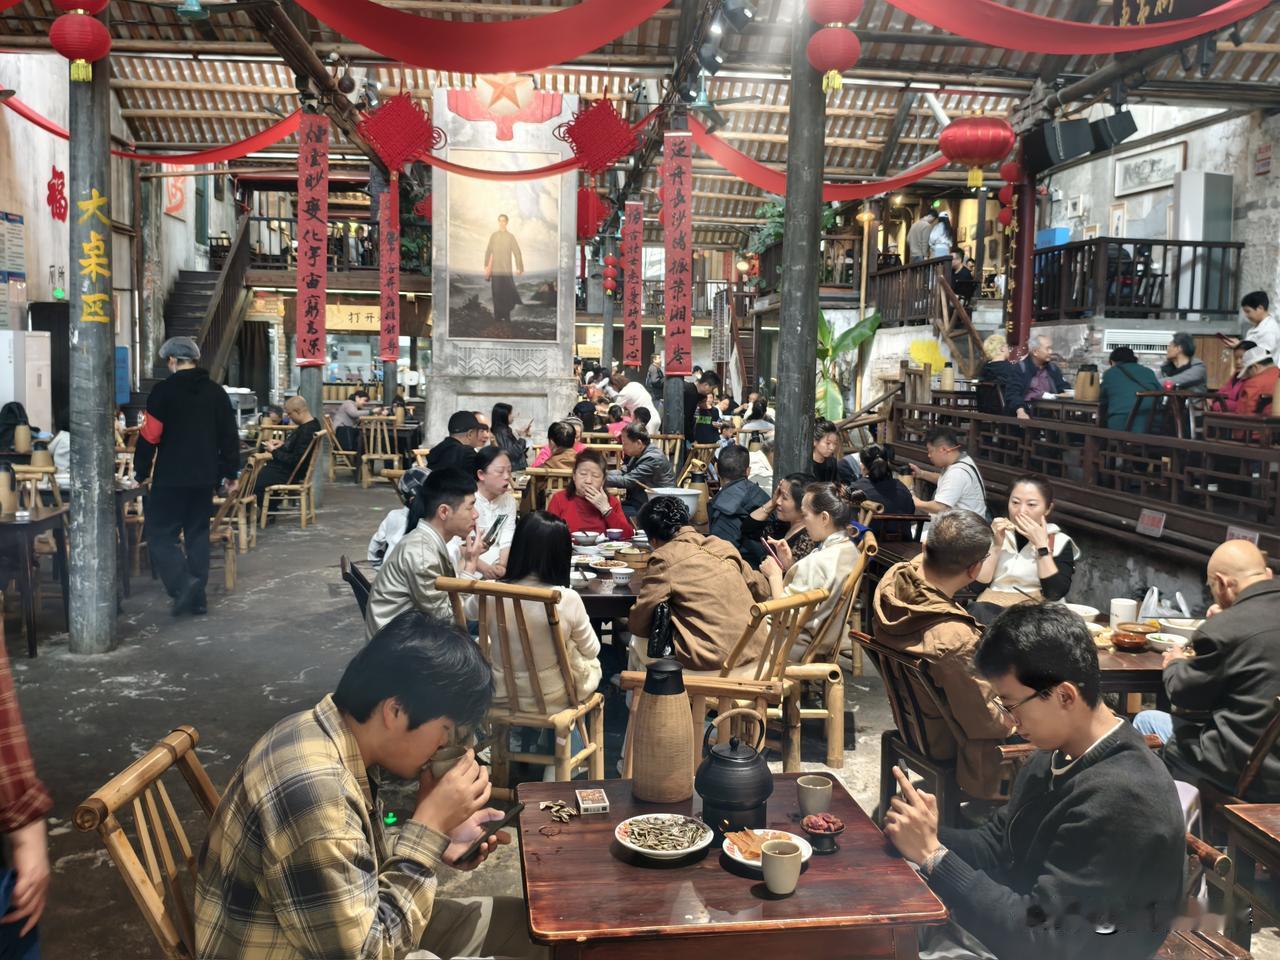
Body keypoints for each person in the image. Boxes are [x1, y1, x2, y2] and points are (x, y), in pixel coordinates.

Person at [196, 611, 545, 960]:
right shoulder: (317, 793)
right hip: (335, 949)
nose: (445, 745)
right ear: (395, 711)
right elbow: (369, 952)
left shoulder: (319, 730)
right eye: (445, 729)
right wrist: (427, 829)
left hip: (344, 926)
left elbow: (348, 859)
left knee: (531, 927)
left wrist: (437, 838)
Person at [884, 602, 1186, 960]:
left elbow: (1043, 940)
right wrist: (928, 833)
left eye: (1011, 705)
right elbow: (999, 843)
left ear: (1064, 696)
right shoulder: (1056, 752)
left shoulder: (1123, 800)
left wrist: (934, 856)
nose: (1009, 722)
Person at [873, 508, 1013, 799]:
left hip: (915, 723)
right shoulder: (953, 638)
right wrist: (1020, 716)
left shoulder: (894, 583)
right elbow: (983, 722)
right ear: (975, 570)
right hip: (948, 741)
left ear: (925, 547)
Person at [1133, 540, 1280, 801]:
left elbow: (1185, 696)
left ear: (1222, 583)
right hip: (1269, 762)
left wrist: (1176, 662)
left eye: (1212, 588)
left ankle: (1166, 818)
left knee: (1146, 721)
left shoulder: (1225, 629)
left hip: (1247, 774)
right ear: (1266, 573)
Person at [134, 336, 240, 617]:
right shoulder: (216, 392)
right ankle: (198, 600)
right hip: (204, 477)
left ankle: (183, 585)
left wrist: (140, 471)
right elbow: (229, 435)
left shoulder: (163, 392)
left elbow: (150, 435)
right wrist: (230, 472)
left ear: (172, 360)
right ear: (194, 359)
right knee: (197, 535)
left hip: (170, 477)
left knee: (159, 534)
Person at [628, 496, 771, 674]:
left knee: (637, 640)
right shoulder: (722, 545)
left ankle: (640, 691)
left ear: (653, 541)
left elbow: (639, 624)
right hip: (760, 660)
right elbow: (762, 590)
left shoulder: (664, 557)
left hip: (716, 668)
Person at [493, 511, 602, 718]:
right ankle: (566, 737)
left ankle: (521, 735)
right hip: (550, 697)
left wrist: (470, 562)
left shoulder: (490, 592)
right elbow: (592, 650)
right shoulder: (566, 598)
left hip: (501, 693)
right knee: (578, 653)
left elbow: (464, 609)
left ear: (518, 547)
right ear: (561, 554)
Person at [365, 468, 485, 635]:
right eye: (470, 507)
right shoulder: (422, 554)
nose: (476, 514)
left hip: (409, 632)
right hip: (399, 643)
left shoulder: (427, 541)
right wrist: (471, 567)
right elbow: (447, 620)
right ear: (444, 511)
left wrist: (470, 562)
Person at [760, 482, 860, 658]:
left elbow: (785, 617)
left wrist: (774, 576)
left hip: (786, 644)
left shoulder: (818, 562)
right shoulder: (851, 551)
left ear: (824, 518)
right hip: (816, 641)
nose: (803, 522)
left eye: (805, 515)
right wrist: (790, 564)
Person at [970, 475, 1081, 626]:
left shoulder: (1060, 541)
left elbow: (1054, 593)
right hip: (990, 611)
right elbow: (976, 586)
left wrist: (1042, 547)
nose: (1021, 511)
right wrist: (996, 545)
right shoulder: (994, 533)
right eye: (1015, 502)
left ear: (1048, 509)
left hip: (1036, 617)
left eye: (1031, 505)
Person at [449, 447, 517, 580]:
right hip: (466, 564)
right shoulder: (465, 500)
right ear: (481, 474)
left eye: (509, 471)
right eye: (500, 472)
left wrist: (502, 565)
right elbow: (454, 545)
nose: (507, 477)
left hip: (496, 560)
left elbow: (507, 537)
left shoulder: (509, 501)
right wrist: (484, 568)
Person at [910, 426, 988, 533]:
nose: (929, 455)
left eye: (930, 451)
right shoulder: (963, 459)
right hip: (963, 526)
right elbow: (946, 481)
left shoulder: (957, 473)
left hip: (965, 533)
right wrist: (921, 474)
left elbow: (940, 507)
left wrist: (916, 502)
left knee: (910, 534)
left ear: (943, 449)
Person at [545, 450, 633, 538]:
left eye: (595, 476)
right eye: (583, 474)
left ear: (603, 480)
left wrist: (606, 510)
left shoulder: (611, 502)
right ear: (574, 476)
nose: (588, 481)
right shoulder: (559, 499)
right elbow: (548, 535)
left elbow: (627, 536)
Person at [708, 444, 771, 567]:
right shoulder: (762, 495)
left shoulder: (722, 506)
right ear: (748, 471)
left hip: (738, 570)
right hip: (768, 567)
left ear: (716, 469)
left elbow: (718, 556)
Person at [253, 395, 321, 502]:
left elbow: (295, 460)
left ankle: (264, 509)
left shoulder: (307, 430)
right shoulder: (313, 424)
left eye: (289, 414)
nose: (288, 417)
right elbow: (299, 448)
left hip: (290, 473)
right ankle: (269, 507)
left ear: (298, 411)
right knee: (257, 474)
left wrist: (274, 451)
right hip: (290, 470)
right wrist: (283, 444)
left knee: (253, 482)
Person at [742, 473, 817, 565]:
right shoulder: (783, 525)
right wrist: (771, 503)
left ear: (803, 505)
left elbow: (793, 571)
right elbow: (748, 529)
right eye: (779, 494)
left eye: (784, 497)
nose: (778, 501)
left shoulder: (809, 538)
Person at [606, 422, 675, 518]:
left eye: (625, 443)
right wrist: (601, 473)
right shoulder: (641, 453)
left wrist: (600, 478)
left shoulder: (652, 458)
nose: (623, 447)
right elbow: (624, 471)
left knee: (609, 513)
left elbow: (628, 481)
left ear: (638, 443)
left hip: (657, 509)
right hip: (641, 502)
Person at [367, 466, 428, 564]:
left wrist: (382, 570)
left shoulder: (393, 516)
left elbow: (375, 549)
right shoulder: (437, 522)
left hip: (389, 571)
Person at [1098, 346, 1162, 432]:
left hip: (1121, 424)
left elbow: (1102, 400)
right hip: (1151, 424)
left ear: (1112, 362)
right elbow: (1160, 395)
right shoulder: (1148, 371)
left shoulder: (1110, 373)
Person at [847, 443, 914, 516]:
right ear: (887, 463)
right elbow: (911, 511)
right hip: (901, 524)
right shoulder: (903, 489)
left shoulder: (855, 489)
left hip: (867, 523)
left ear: (863, 467)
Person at [484, 213, 524, 324]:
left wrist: (519, 267)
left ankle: (506, 316)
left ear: (506, 222)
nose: (502, 223)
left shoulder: (510, 237)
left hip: (506, 271)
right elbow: (488, 251)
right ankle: (497, 317)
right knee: (496, 293)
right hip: (495, 270)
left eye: (504, 221)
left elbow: (517, 252)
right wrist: (486, 265)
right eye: (500, 221)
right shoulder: (494, 236)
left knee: (506, 293)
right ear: (498, 222)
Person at [977, 334, 1029, 419]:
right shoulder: (1009, 368)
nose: (1009, 350)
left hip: (984, 409)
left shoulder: (983, 368)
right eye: (1007, 347)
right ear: (1002, 348)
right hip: (1005, 410)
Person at [1017, 333, 1069, 404]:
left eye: (1051, 348)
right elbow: (1013, 395)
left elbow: (1063, 388)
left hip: (1051, 407)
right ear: (1035, 352)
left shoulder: (1053, 368)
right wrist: (1020, 409)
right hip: (1027, 408)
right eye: (1047, 348)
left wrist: (1066, 393)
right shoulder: (1021, 368)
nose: (1051, 352)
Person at [1226, 290, 1277, 355]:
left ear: (1260, 308)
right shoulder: (1258, 326)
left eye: (1248, 311)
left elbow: (1263, 355)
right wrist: (1240, 343)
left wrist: (1240, 345)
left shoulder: (1269, 330)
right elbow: (1252, 345)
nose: (1246, 315)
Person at [1234, 343, 1278, 416]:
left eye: (1247, 372)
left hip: (1260, 422)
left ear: (1255, 367)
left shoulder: (1253, 383)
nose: (1248, 376)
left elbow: (1242, 413)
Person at [682, 371, 721, 445]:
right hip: (678, 434)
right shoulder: (690, 393)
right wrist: (692, 439)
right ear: (706, 385)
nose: (711, 392)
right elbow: (685, 418)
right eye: (712, 389)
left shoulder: (695, 392)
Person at [490, 402, 531, 471]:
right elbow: (512, 453)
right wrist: (522, 437)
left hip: (516, 468)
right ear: (504, 415)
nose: (513, 416)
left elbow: (519, 450)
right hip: (514, 471)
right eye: (510, 414)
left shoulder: (505, 430)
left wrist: (525, 437)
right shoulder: (501, 432)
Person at [331, 389, 373, 453]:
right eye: (365, 400)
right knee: (364, 439)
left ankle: (364, 456)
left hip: (345, 433)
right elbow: (354, 414)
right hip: (341, 434)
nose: (365, 403)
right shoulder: (349, 403)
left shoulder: (354, 406)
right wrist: (371, 412)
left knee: (365, 438)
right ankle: (363, 456)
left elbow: (356, 418)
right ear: (357, 398)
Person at [809, 418, 840, 484]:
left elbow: (835, 483)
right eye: (828, 443)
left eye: (835, 444)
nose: (832, 448)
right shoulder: (806, 464)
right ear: (815, 441)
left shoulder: (832, 462)